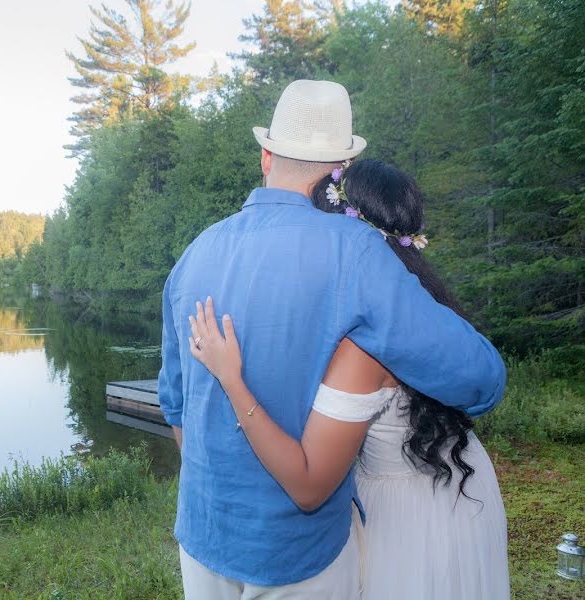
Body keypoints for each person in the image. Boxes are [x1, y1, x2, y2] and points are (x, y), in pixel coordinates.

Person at [158, 79, 506, 599]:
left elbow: (176, 406)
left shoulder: (193, 255)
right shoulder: (357, 252)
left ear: (265, 156)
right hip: (298, 554)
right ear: (340, 170)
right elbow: (480, 378)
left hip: (203, 538)